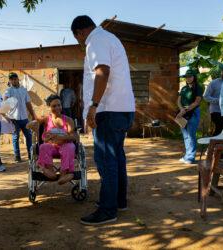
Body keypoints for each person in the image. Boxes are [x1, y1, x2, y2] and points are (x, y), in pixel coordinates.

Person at [71, 15, 135, 225]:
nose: (80, 44)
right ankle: (118, 201)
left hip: (108, 109)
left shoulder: (95, 40)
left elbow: (102, 72)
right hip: (122, 108)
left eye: (78, 39)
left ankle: (108, 210)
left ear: (80, 33)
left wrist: (93, 105)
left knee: (106, 159)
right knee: (116, 157)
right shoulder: (111, 38)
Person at [27, 94, 76, 185]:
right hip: (51, 147)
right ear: (49, 107)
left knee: (69, 147)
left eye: (59, 105)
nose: (57, 108)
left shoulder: (68, 120)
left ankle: (64, 174)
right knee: (43, 146)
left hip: (65, 145)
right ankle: (50, 171)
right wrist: (32, 124)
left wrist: (63, 138)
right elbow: (36, 122)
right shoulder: (46, 119)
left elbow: (74, 137)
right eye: (54, 106)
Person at [4, 72, 37, 163]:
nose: (14, 80)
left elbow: (28, 103)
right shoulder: (8, 91)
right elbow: (4, 103)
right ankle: (17, 156)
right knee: (15, 137)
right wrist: (8, 116)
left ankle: (30, 155)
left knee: (28, 136)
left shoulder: (23, 90)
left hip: (24, 118)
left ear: (18, 79)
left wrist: (33, 115)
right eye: (12, 79)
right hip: (14, 119)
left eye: (15, 78)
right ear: (10, 81)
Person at [177, 69, 203, 164]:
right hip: (182, 112)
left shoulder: (198, 88)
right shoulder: (184, 88)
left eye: (190, 76)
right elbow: (179, 100)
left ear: (194, 77)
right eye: (186, 77)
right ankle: (187, 156)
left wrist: (185, 110)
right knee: (185, 135)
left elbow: (197, 102)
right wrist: (181, 109)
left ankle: (191, 157)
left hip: (193, 112)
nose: (187, 78)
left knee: (191, 135)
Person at [203, 64, 223, 136]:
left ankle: (220, 146)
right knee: (219, 130)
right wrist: (218, 100)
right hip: (216, 111)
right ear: (221, 72)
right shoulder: (214, 83)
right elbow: (206, 97)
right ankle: (213, 146)